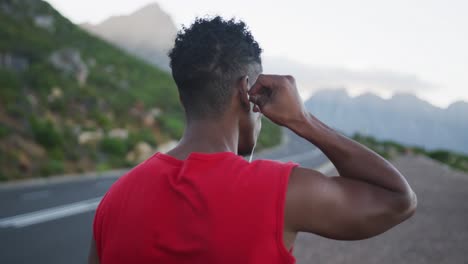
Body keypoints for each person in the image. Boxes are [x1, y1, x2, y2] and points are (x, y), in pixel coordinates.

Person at [88, 16, 417, 264]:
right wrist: (303, 120)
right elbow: (398, 199)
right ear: (247, 94)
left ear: (182, 97)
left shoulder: (114, 201)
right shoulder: (281, 192)